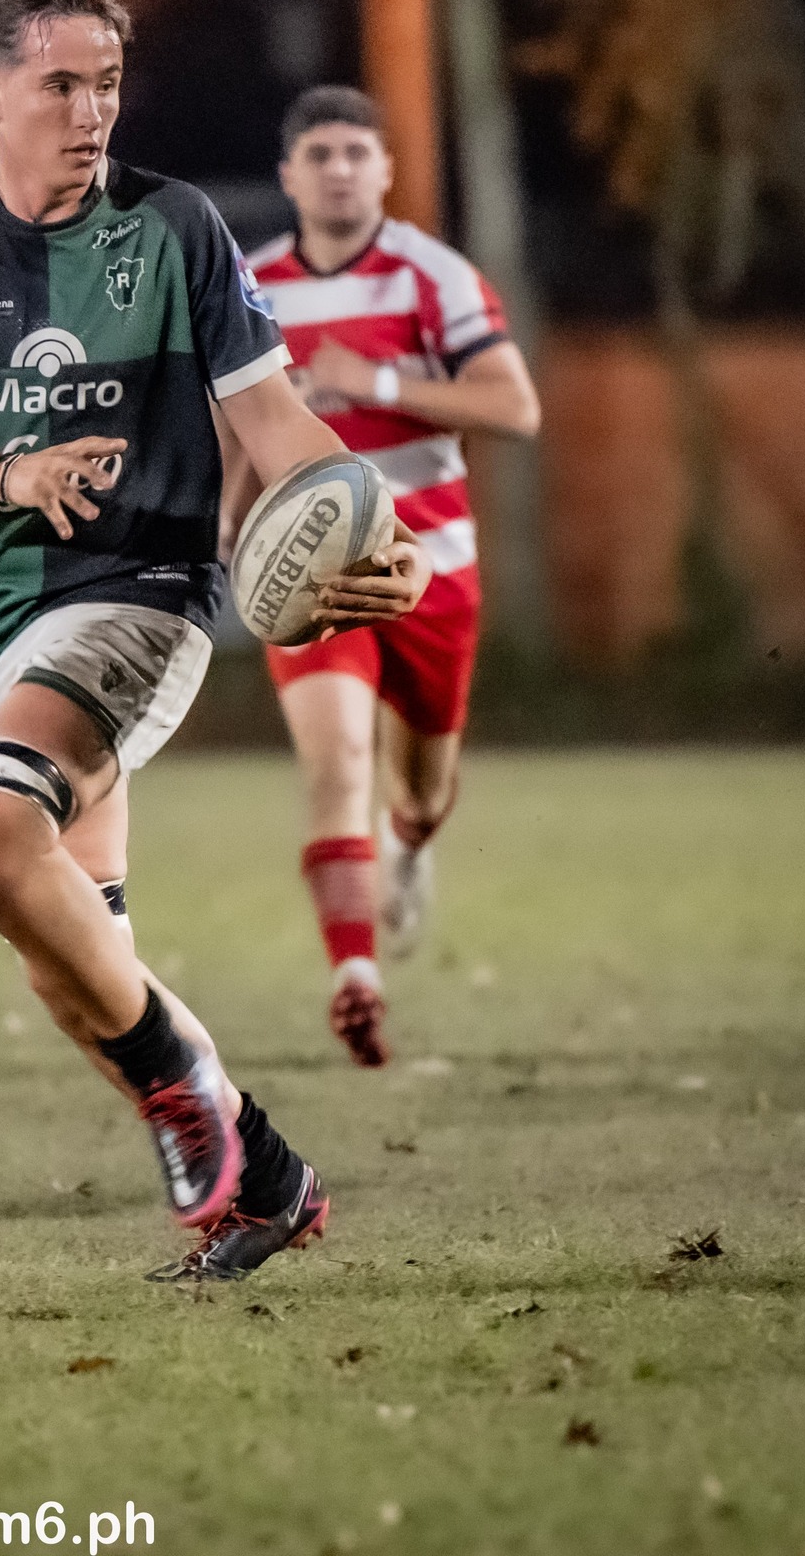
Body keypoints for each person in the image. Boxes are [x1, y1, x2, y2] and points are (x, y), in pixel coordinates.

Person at [0, 0, 427, 1281]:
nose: (90, 110)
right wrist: (6, 476)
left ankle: (183, 1096)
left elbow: (277, 425)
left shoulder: (174, 228)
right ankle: (270, 1179)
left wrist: (380, 533)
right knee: (71, 965)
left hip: (136, 598)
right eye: (59, 85)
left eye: (104, 84)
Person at [236, 85, 541, 1068]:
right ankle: (355, 977)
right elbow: (234, 428)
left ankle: (408, 845)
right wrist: (229, 527)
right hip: (315, 575)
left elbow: (515, 407)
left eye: (356, 152)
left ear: (385, 171)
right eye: (319, 153)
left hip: (432, 564)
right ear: (287, 176)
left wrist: (368, 381)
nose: (338, 169)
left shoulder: (431, 275)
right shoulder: (249, 287)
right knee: (336, 764)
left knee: (420, 788)